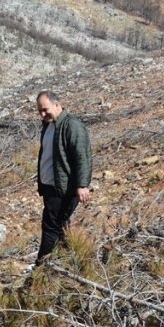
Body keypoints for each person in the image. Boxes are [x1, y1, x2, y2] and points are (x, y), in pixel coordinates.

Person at [35, 90, 92, 260]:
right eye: (40, 111)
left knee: (51, 227)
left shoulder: (71, 125)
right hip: (49, 187)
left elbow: (82, 156)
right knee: (60, 226)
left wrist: (82, 185)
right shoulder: (49, 126)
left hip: (63, 188)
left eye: (45, 109)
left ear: (57, 104)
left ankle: (40, 269)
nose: (43, 114)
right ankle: (67, 262)